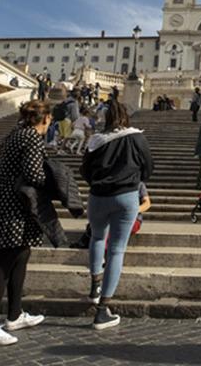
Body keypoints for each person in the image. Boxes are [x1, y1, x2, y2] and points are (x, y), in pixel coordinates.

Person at [0, 100, 52, 346]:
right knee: (4, 260)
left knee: (21, 253)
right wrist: (55, 179)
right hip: (16, 202)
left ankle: (14, 315)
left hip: (8, 197)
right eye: (49, 119)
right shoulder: (32, 137)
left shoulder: (17, 133)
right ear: (44, 119)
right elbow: (33, 174)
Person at [80, 100, 153, 330]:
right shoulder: (136, 138)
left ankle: (94, 287)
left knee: (97, 238)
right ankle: (102, 312)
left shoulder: (96, 141)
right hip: (126, 196)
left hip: (98, 196)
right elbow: (149, 166)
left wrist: (98, 183)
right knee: (117, 249)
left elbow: (84, 170)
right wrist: (133, 178)